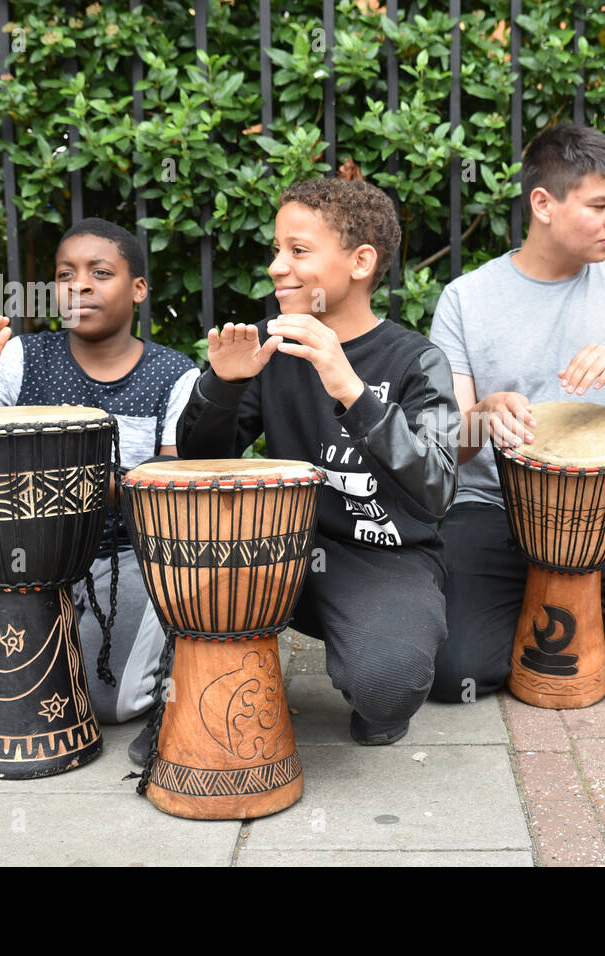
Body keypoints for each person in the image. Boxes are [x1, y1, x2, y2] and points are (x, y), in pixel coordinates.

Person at [427, 123, 605, 704]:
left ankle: (562, 607)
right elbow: (446, 441)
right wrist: (482, 413)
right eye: (600, 206)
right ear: (543, 204)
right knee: (456, 673)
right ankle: (549, 608)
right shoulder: (466, 298)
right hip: (493, 508)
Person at [176, 177, 459, 745]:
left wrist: (353, 390)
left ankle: (367, 666)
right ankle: (188, 702)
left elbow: (438, 488)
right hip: (281, 547)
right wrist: (224, 385)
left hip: (384, 558)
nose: (278, 266)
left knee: (387, 688)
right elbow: (202, 462)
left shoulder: (417, 360)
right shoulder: (270, 346)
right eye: (277, 250)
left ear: (360, 262)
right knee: (190, 569)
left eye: (298, 251)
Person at [0, 218, 200, 755]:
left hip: (129, 554)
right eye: (66, 274)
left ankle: (177, 647)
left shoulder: (174, 375)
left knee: (107, 704)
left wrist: (62, 469)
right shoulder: (21, 358)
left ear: (138, 289)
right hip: (33, 556)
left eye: (100, 272)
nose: (79, 285)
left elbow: (166, 493)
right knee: (10, 693)